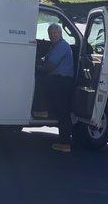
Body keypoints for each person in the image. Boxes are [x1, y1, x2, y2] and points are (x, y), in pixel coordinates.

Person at [36, 23, 75, 153]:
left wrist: (39, 67)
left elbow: (50, 66)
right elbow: (45, 59)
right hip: (58, 80)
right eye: (51, 33)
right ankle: (43, 111)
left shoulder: (62, 46)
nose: (52, 35)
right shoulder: (56, 46)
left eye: (55, 33)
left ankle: (65, 143)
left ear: (60, 34)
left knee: (63, 112)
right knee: (61, 111)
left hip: (61, 81)